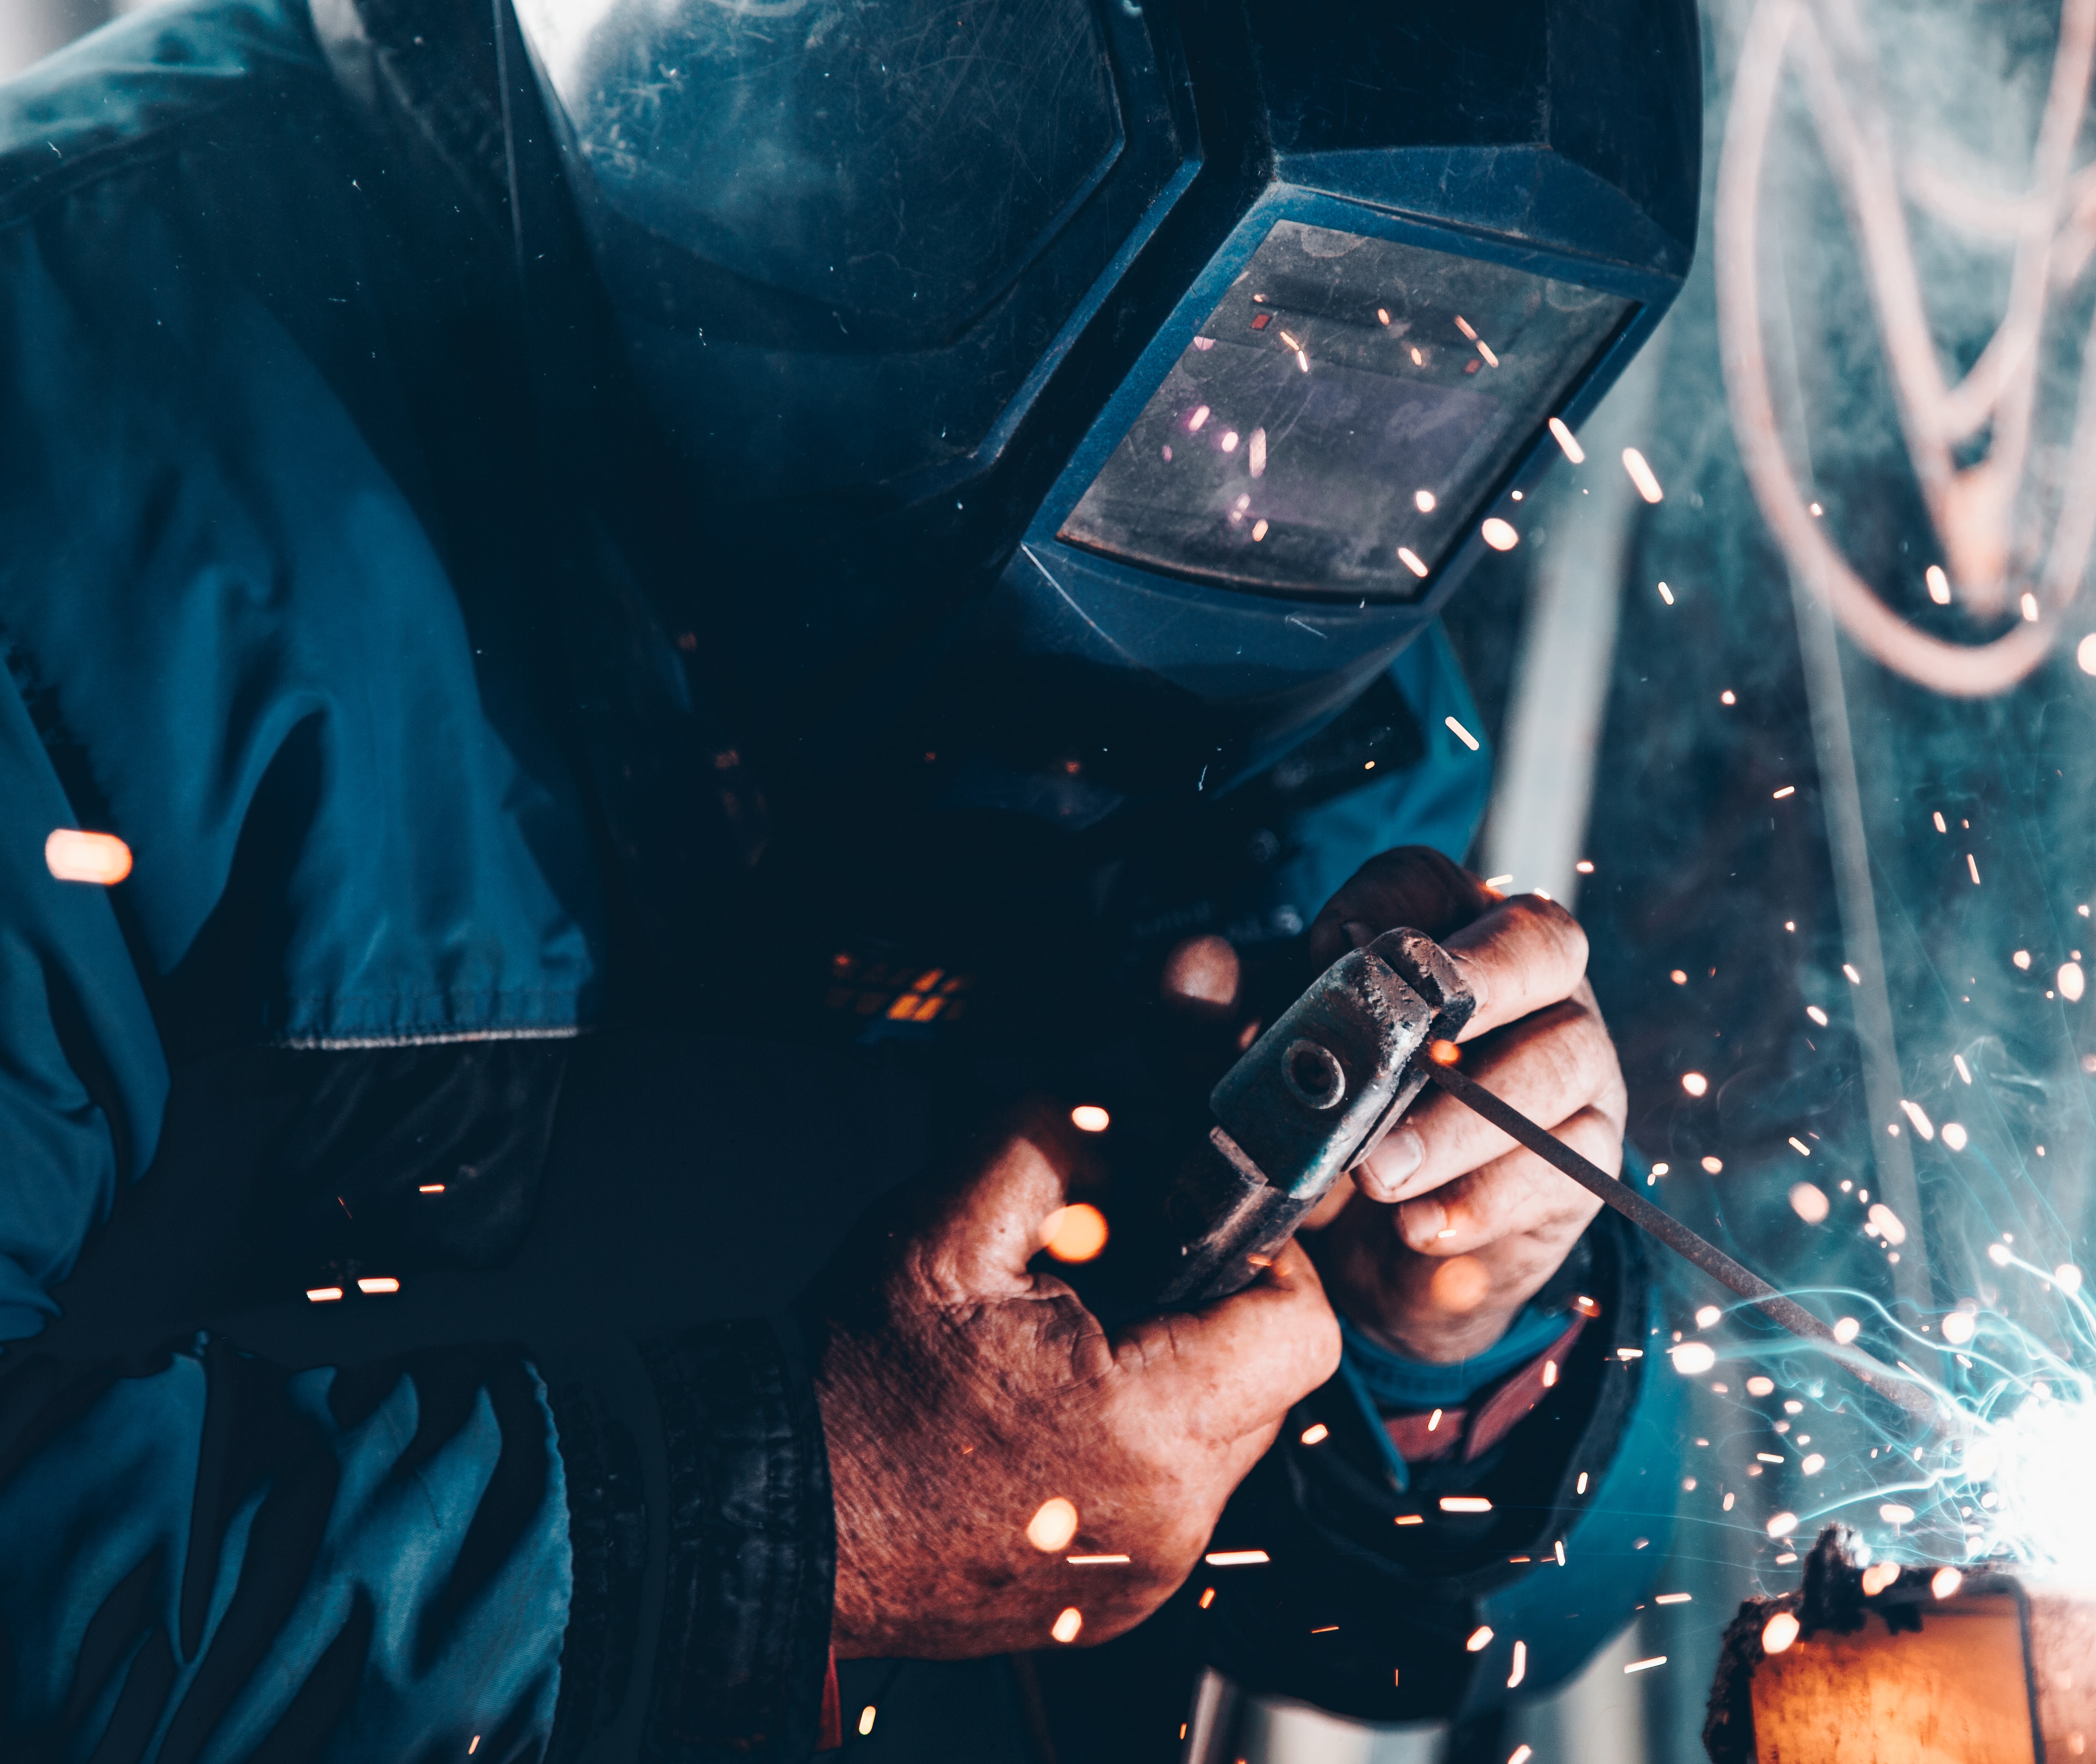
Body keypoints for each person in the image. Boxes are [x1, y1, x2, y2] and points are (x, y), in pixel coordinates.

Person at [0, 0, 1703, 1756]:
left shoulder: (1281, 545)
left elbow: (1433, 1645)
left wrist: (1460, 1339)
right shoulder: (69, 444)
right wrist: (765, 1527)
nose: (1267, 463)